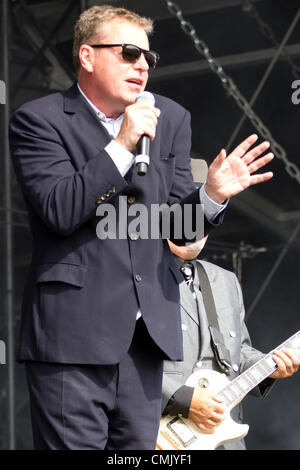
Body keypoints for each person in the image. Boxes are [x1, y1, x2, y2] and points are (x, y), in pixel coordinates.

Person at [9, 5, 274, 450]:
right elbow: (59, 209)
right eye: (129, 53)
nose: (141, 67)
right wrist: (122, 145)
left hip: (146, 339)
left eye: (148, 59)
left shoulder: (170, 118)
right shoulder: (41, 119)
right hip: (72, 338)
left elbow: (177, 231)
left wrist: (211, 195)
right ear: (88, 57)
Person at [161, 238, 300, 450]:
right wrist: (183, 399)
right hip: (161, 433)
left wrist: (271, 366)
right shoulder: (133, 273)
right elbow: (118, 356)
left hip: (222, 438)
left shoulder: (225, 280)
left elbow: (238, 351)